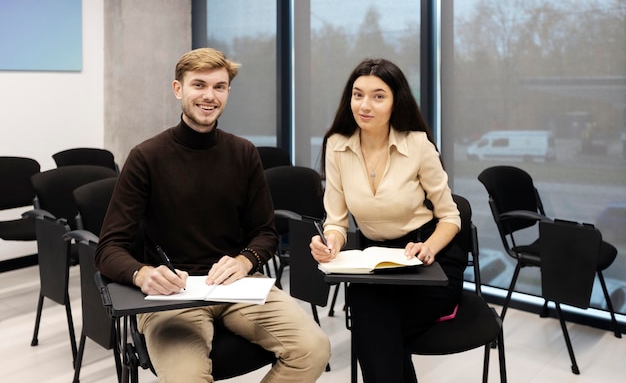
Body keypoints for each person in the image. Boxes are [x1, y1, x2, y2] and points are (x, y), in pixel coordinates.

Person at [95, 47, 330, 383]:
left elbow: (265, 233)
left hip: (238, 286)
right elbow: (108, 248)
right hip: (172, 296)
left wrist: (245, 260)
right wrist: (142, 274)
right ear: (179, 89)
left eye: (219, 87)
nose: (209, 96)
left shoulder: (243, 153)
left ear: (228, 93)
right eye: (199, 85)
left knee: (314, 348)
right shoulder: (146, 157)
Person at [309, 58, 466, 383]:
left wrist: (428, 247)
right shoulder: (337, 146)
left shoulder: (418, 145)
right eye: (357, 94)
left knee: (374, 335)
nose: (364, 105)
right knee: (374, 326)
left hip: (427, 257)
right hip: (375, 261)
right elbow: (336, 221)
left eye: (378, 96)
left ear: (396, 101)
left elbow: (450, 216)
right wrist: (330, 243)